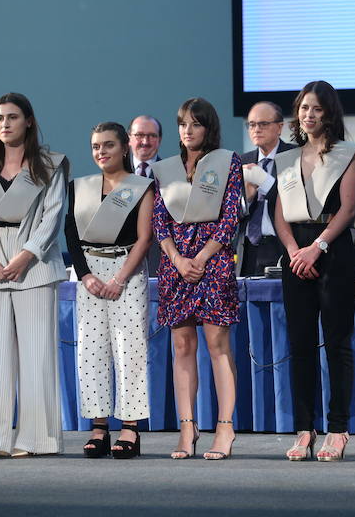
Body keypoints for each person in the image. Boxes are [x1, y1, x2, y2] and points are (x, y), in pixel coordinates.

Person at [0, 92, 69, 459]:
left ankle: (37, 440)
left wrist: (26, 256)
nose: (4, 124)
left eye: (12, 117)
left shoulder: (50, 166)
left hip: (34, 265)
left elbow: (53, 215)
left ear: (29, 122)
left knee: (37, 357)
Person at [274, 80, 355, 461]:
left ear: (329, 113)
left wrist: (317, 247)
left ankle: (338, 429)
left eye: (316, 109)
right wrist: (295, 250)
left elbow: (348, 208)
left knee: (338, 344)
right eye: (303, 108)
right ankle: (304, 429)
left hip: (333, 251)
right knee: (300, 346)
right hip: (296, 255)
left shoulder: (347, 154)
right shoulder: (287, 159)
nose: (308, 115)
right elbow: (279, 212)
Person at [152, 98, 242, 460]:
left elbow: (230, 216)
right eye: (183, 124)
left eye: (196, 124)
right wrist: (177, 260)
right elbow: (159, 221)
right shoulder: (165, 169)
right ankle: (187, 428)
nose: (188, 131)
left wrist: (202, 258)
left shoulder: (227, 161)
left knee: (217, 345)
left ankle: (225, 427)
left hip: (213, 262)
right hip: (176, 267)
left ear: (209, 128)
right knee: (182, 347)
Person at [65, 122, 155, 459]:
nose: (101, 152)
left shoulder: (141, 186)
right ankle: (99, 427)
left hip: (126, 272)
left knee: (130, 349)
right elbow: (71, 235)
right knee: (91, 350)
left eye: (108, 145)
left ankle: (130, 426)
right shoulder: (80, 187)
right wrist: (85, 275)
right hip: (90, 274)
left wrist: (120, 279)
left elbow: (145, 238)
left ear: (124, 147)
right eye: (95, 146)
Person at [239, 101, 296, 276]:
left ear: (279, 127)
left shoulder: (295, 156)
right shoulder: (241, 161)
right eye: (252, 124)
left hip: (281, 246)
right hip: (247, 248)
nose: (256, 129)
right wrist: (246, 200)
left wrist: (264, 181)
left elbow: (294, 204)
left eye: (263, 124)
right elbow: (230, 213)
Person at [130, 114, 164, 276]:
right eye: (139, 135)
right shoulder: (114, 175)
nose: (145, 141)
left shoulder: (173, 174)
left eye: (152, 136)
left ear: (160, 140)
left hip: (160, 262)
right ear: (129, 138)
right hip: (122, 265)